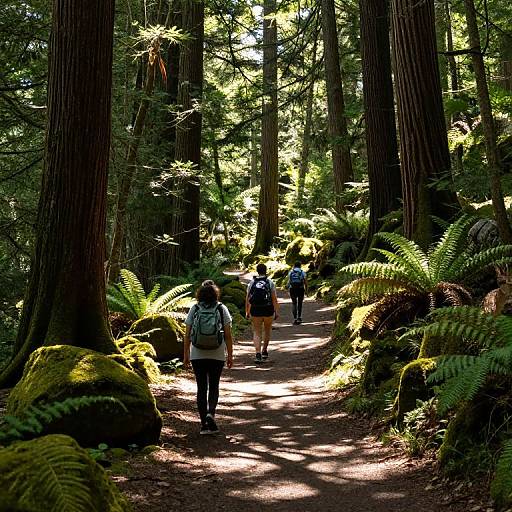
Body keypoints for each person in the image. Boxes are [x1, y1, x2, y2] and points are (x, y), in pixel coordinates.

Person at [184, 280, 234, 435]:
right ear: (215, 294)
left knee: (201, 387)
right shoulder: (221, 308)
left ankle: (204, 425)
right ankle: (210, 413)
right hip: (217, 354)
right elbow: (228, 335)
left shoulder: (194, 308)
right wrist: (230, 355)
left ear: (199, 294)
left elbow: (187, 334)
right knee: (214, 385)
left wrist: (185, 354)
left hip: (197, 354)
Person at [245, 263, 280, 364]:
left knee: (256, 331)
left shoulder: (252, 283)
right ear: (266, 271)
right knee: (267, 330)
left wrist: (247, 311)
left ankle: (257, 353)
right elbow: (274, 299)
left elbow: (248, 299)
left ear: (257, 271)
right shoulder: (270, 282)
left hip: (255, 309)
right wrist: (276, 311)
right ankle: (264, 351)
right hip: (268, 309)